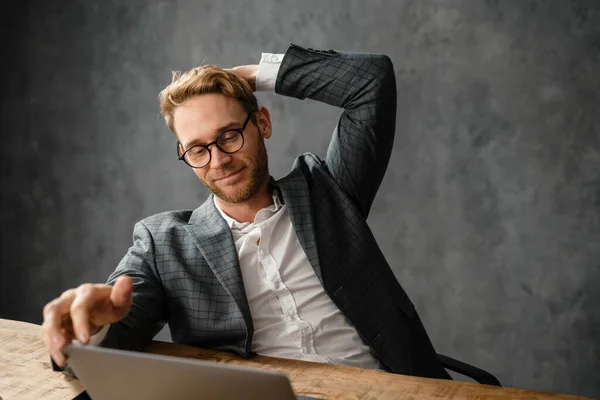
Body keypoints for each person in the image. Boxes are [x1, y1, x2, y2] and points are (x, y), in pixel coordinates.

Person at [42, 44, 450, 379]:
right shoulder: (164, 243)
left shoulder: (328, 191)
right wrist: (90, 330)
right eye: (198, 149)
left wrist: (252, 77)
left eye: (230, 135)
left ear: (262, 124)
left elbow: (371, 82)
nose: (218, 159)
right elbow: (109, 344)